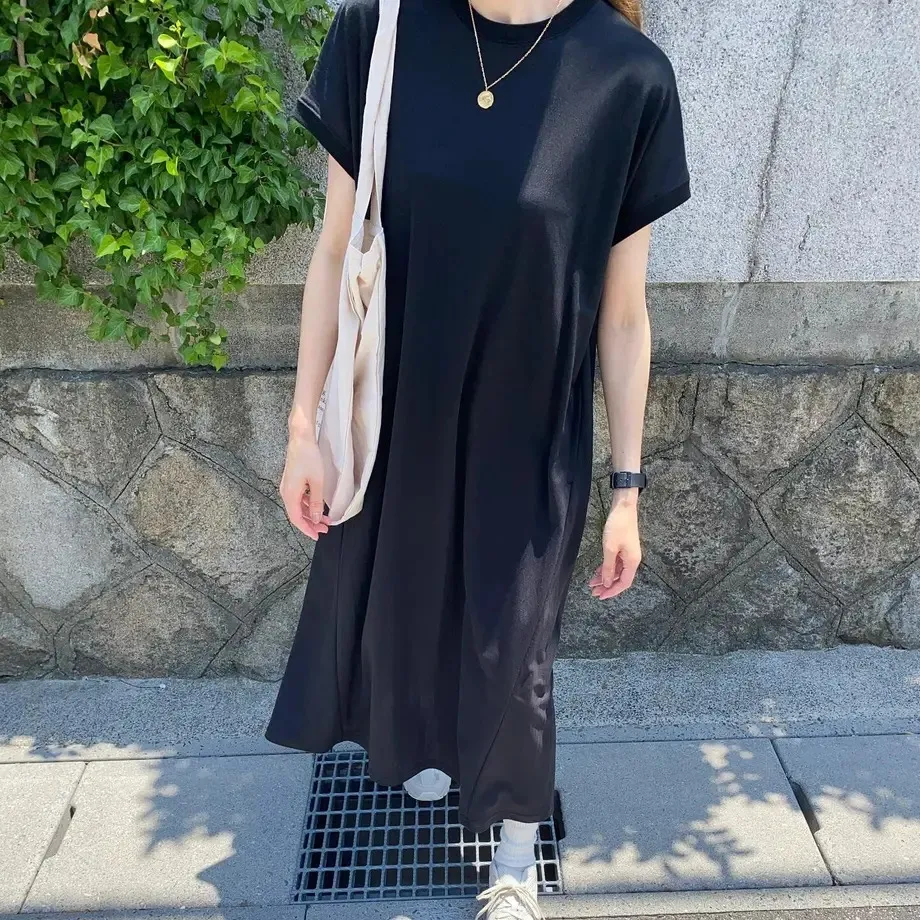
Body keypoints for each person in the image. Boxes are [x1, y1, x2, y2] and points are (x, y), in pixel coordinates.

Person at [266, 0, 690, 913]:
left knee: (516, 647)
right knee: (406, 605)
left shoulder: (628, 78)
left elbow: (623, 316)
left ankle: (515, 850)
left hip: (528, 433)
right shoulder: (380, 32)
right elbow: (334, 252)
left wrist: (627, 489)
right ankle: (423, 748)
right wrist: (304, 431)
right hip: (398, 412)